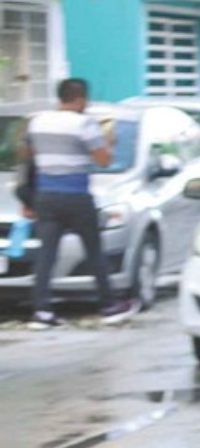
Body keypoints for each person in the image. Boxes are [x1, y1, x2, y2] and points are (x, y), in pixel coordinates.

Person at [21, 78, 139, 328]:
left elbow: (26, 155)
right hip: (76, 196)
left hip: (45, 196)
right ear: (80, 98)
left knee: (46, 255)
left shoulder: (37, 121)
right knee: (94, 250)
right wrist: (108, 143)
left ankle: (41, 311)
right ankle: (108, 305)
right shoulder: (84, 123)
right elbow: (104, 160)